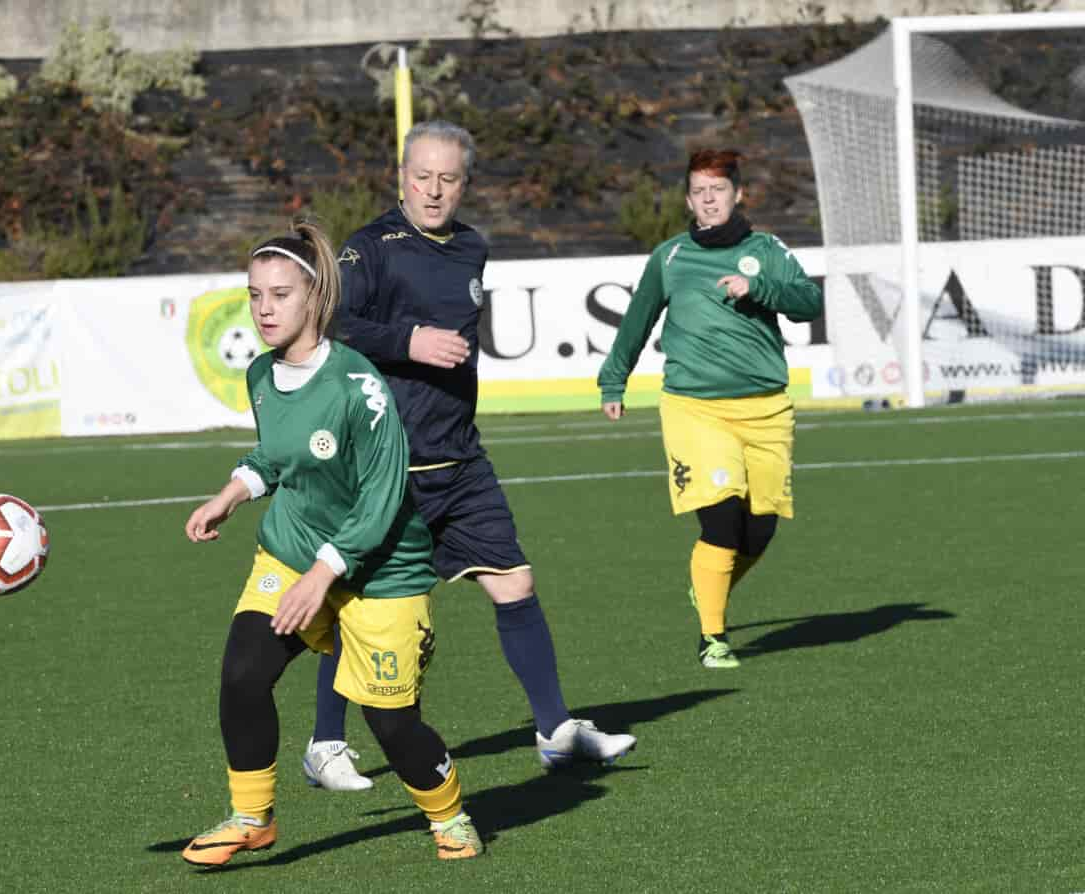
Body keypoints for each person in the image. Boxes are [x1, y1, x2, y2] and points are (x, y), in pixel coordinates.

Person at [300, 120, 636, 791]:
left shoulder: (472, 247)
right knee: (358, 606)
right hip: (388, 466)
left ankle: (555, 734)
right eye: (421, 176)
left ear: (465, 184)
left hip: (460, 459)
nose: (433, 190)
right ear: (401, 175)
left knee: (515, 583)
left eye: (448, 179)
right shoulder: (371, 248)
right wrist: (410, 339)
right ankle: (325, 743)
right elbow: (332, 324)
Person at [180, 219, 482, 866]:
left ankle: (449, 814)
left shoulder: (359, 388)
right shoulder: (261, 374)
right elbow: (275, 456)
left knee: (391, 724)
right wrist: (230, 495)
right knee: (242, 672)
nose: (264, 308)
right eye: (255, 294)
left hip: (383, 570)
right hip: (292, 547)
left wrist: (323, 576)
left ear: (315, 298)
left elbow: (382, 500)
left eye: (280, 294)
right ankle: (251, 817)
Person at [597, 148, 823, 668]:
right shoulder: (670, 257)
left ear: (737, 194)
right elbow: (638, 321)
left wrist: (759, 287)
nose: (708, 199)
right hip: (695, 408)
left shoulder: (766, 249)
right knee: (721, 521)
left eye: (718, 190)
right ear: (688, 201)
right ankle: (713, 637)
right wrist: (614, 380)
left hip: (766, 409)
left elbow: (810, 301)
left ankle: (709, 585)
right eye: (699, 192)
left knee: (759, 530)